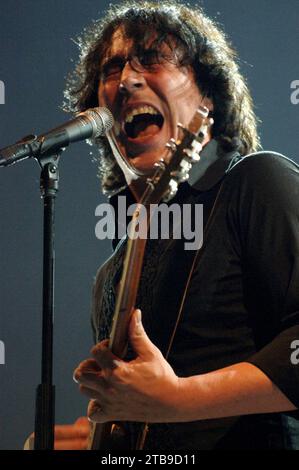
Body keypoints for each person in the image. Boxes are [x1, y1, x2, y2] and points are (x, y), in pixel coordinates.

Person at [56, 0, 299, 449]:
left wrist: (180, 398)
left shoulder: (257, 182)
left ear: (208, 96)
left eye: (151, 59)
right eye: (111, 69)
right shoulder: (116, 263)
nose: (127, 79)